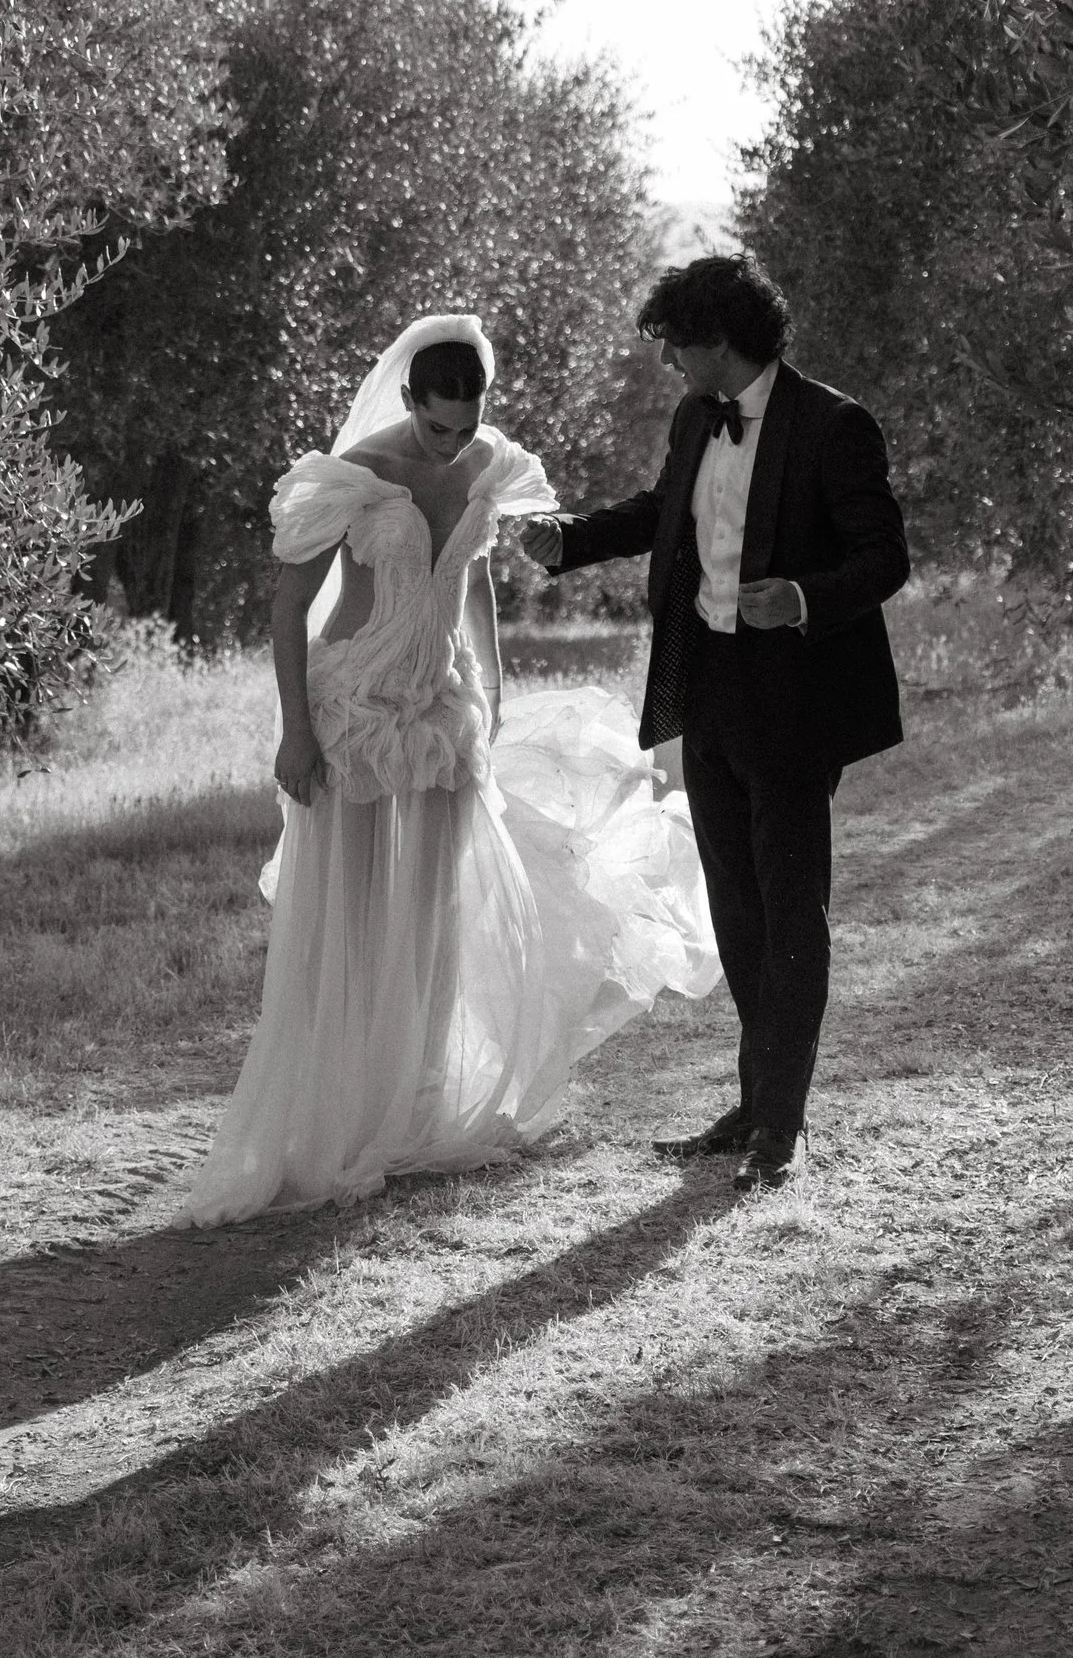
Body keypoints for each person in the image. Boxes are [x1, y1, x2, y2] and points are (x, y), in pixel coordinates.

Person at [175, 311, 721, 1223]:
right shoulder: (358, 476)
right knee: (347, 918)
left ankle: (412, 1107)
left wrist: (490, 692)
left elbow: (470, 582)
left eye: (466, 426)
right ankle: (335, 1117)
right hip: (350, 710)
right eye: (438, 425)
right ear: (407, 400)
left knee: (431, 916)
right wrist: (295, 730)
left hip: (439, 712)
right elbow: (288, 609)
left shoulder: (486, 466)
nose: (453, 440)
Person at [529, 253, 907, 1194]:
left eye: (675, 344)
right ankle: (754, 1102)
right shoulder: (697, 415)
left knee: (790, 909)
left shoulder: (834, 425)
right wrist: (571, 539)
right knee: (736, 909)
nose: (668, 362)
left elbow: (885, 558)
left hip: (798, 696)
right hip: (711, 686)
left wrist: (806, 599)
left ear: (721, 341)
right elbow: (667, 514)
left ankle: (783, 1124)